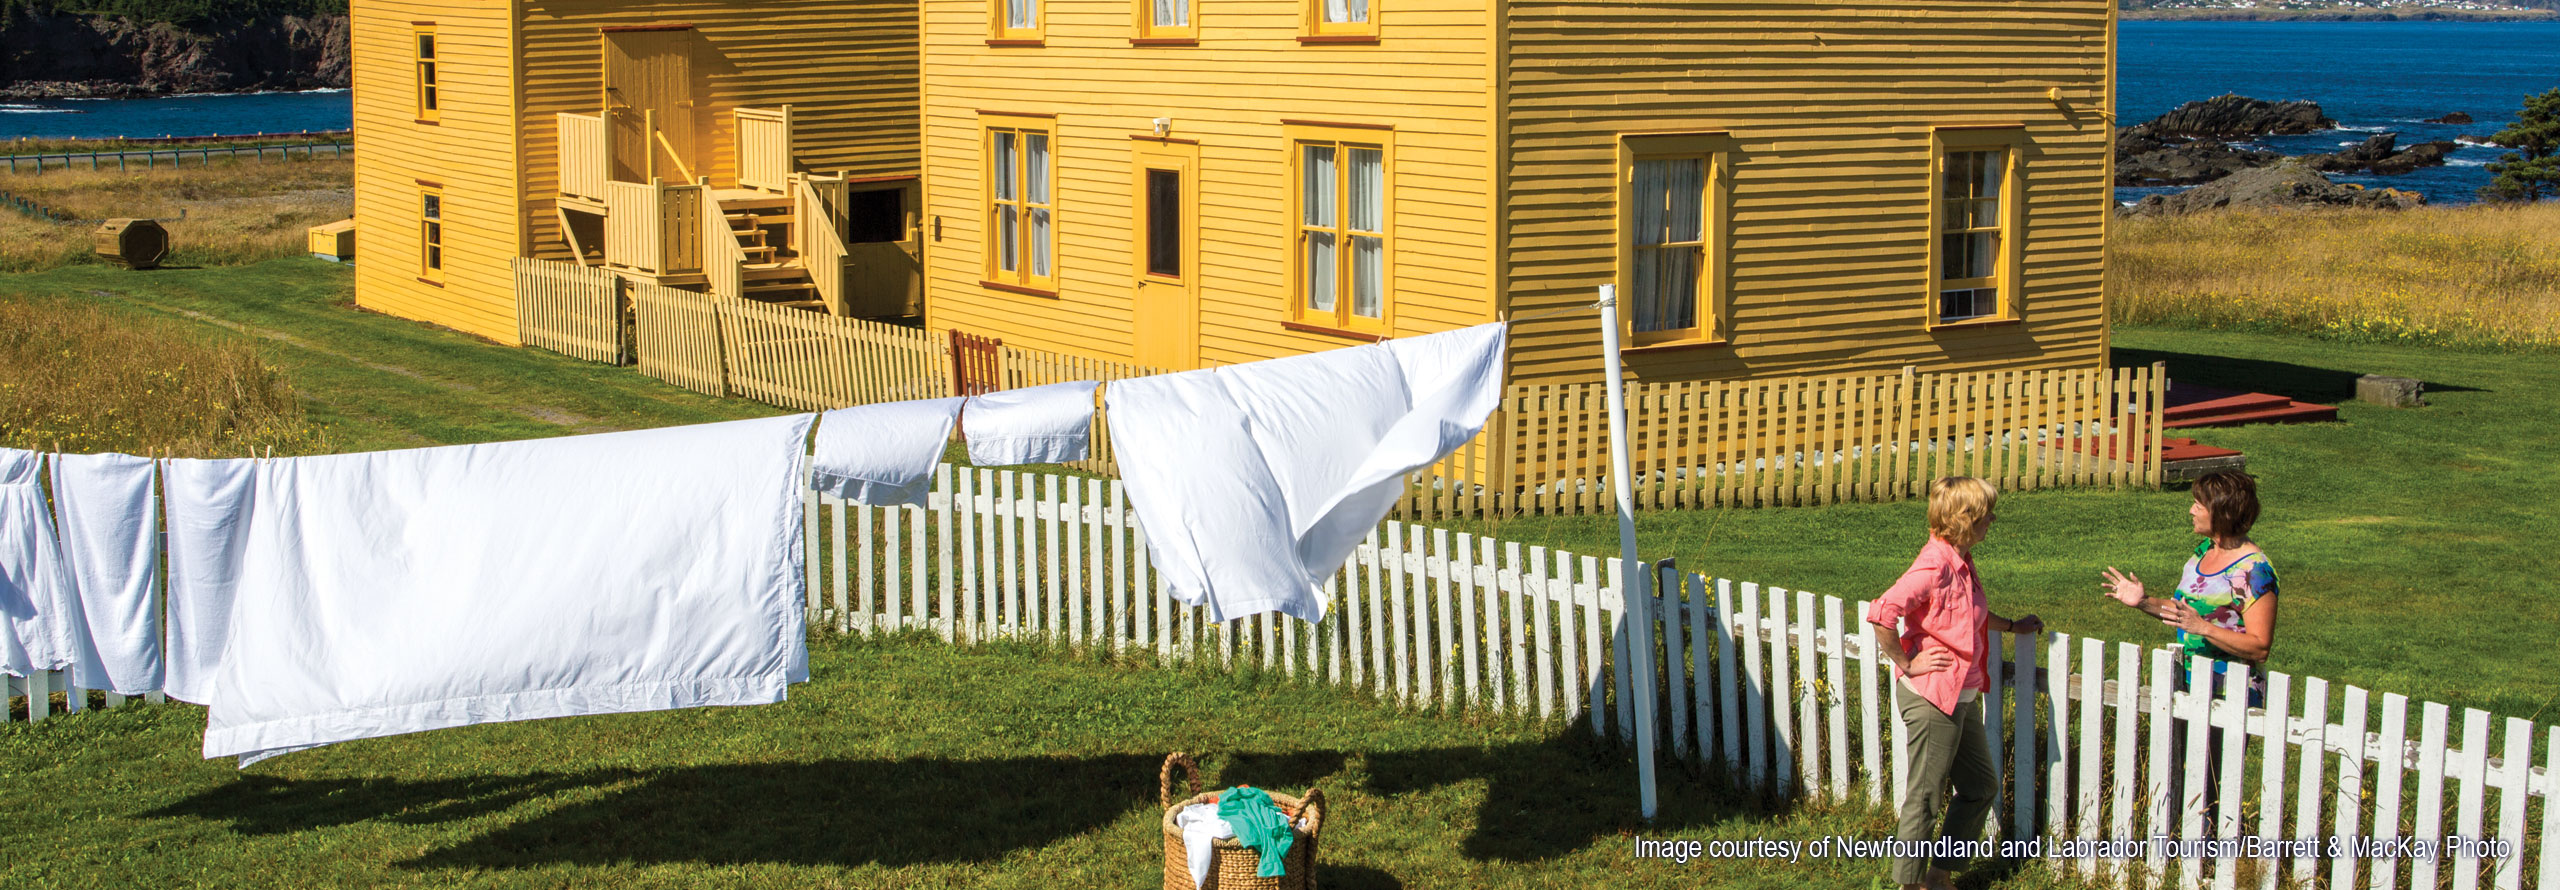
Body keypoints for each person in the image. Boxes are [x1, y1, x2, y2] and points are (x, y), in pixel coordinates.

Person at [1866, 476, 2042, 890]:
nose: (1993, 520)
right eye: (1986, 515)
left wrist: (2014, 626)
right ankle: (1909, 885)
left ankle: (1939, 875)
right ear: (1965, 520)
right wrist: (1908, 663)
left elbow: (1969, 615)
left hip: (1958, 696)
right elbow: (1882, 614)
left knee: (1980, 787)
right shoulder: (1935, 563)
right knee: (1925, 799)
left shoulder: (1961, 560)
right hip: (1931, 698)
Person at [2097, 469, 2278, 823]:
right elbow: (2184, 613)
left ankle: (2210, 861)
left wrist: (2204, 628)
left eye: (2199, 504)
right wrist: (2144, 601)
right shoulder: (2203, 554)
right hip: (2187, 685)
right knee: (2179, 772)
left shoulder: (2254, 570)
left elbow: (2259, 646)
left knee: (2210, 783)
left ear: (2222, 511)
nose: (2191, 510)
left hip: (2227, 694)